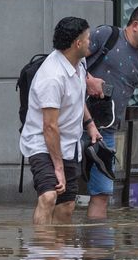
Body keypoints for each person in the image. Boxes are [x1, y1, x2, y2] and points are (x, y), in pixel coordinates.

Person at [83, 3, 138, 221]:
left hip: (107, 132)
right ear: (136, 25)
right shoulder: (106, 35)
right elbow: (69, 60)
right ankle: (51, 251)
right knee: (62, 190)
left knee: (102, 194)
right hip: (74, 122)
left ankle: (98, 251)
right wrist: (88, 80)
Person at [20, 17, 101, 225]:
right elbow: (49, 127)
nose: (91, 42)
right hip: (43, 142)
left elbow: (76, 97)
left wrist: (90, 124)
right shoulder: (52, 77)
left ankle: (61, 254)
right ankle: (43, 254)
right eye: (88, 38)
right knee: (48, 197)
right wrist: (58, 168)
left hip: (69, 143)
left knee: (66, 206)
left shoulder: (79, 63)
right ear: (77, 43)